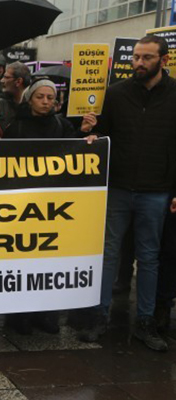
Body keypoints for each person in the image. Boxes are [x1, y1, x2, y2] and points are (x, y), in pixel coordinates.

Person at [79, 35, 176, 352]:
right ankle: (98, 316)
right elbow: (102, 135)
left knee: (149, 258)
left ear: (163, 60)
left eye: (146, 58)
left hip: (156, 191)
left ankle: (145, 321)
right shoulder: (116, 93)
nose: (138, 63)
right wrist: (90, 133)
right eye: (136, 57)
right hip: (118, 188)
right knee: (108, 254)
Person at [3, 79, 92, 335]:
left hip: (53, 203)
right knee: (21, 261)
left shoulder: (62, 125)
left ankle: (45, 314)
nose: (45, 102)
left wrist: (84, 135)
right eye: (40, 97)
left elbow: (73, 153)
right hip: (22, 202)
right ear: (30, 99)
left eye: (50, 98)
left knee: (49, 261)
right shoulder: (16, 126)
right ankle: (18, 316)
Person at [0, 62, 31, 131]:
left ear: (18, 81)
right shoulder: (0, 104)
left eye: (6, 77)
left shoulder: (33, 105)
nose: (2, 80)